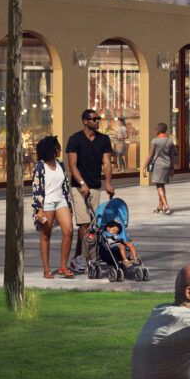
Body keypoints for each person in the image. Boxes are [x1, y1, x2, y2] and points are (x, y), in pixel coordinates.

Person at [63, 108, 114, 276]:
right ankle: (87, 258)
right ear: (85, 121)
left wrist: (108, 183)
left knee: (92, 225)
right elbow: (72, 165)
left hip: (95, 186)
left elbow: (107, 163)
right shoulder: (75, 139)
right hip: (79, 187)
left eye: (98, 118)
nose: (97, 121)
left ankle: (79, 257)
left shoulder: (104, 139)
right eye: (94, 119)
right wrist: (82, 183)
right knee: (84, 223)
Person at [29, 136, 73, 278]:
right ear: (51, 149)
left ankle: (63, 267)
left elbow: (65, 185)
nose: (60, 150)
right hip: (46, 203)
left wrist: (68, 204)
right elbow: (36, 188)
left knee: (69, 230)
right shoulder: (40, 167)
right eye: (58, 148)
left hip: (61, 200)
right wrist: (39, 209)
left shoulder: (60, 165)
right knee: (46, 234)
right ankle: (46, 270)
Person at [146, 122, 175, 215]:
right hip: (167, 165)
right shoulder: (170, 141)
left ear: (158, 130)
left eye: (156, 128)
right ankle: (160, 207)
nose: (155, 130)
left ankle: (166, 207)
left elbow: (150, 155)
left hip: (158, 166)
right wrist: (172, 168)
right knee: (162, 186)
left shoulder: (155, 141)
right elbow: (172, 156)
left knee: (159, 186)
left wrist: (144, 167)